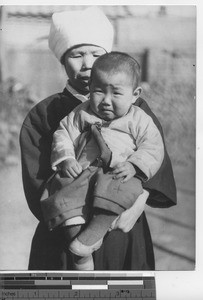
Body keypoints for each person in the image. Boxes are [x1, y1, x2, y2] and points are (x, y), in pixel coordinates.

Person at [20, 7, 177, 270]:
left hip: (124, 224)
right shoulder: (44, 114)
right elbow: (39, 183)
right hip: (67, 231)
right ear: (62, 59)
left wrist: (137, 205)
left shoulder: (135, 109)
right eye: (77, 55)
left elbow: (155, 156)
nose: (87, 64)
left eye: (96, 54)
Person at [42, 52, 164, 270]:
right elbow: (63, 134)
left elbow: (153, 147)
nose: (106, 101)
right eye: (98, 91)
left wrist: (134, 165)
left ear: (135, 94)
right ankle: (81, 250)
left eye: (116, 93)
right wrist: (67, 157)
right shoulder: (80, 113)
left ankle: (93, 232)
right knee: (61, 192)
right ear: (90, 89)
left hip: (116, 173)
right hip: (82, 173)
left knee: (124, 188)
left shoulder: (138, 119)